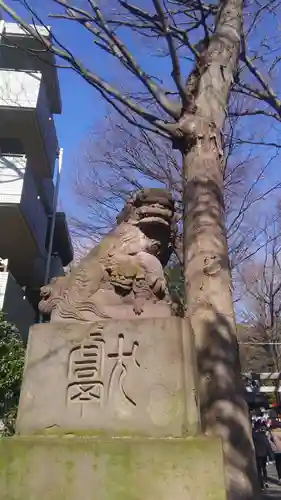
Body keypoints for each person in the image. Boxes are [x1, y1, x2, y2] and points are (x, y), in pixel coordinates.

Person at [253, 422, 272, 490]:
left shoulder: (255, 436)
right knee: (264, 469)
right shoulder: (264, 437)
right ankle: (265, 481)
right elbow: (268, 446)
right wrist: (270, 456)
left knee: (259, 470)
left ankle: (261, 485)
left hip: (257, 454)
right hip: (264, 455)